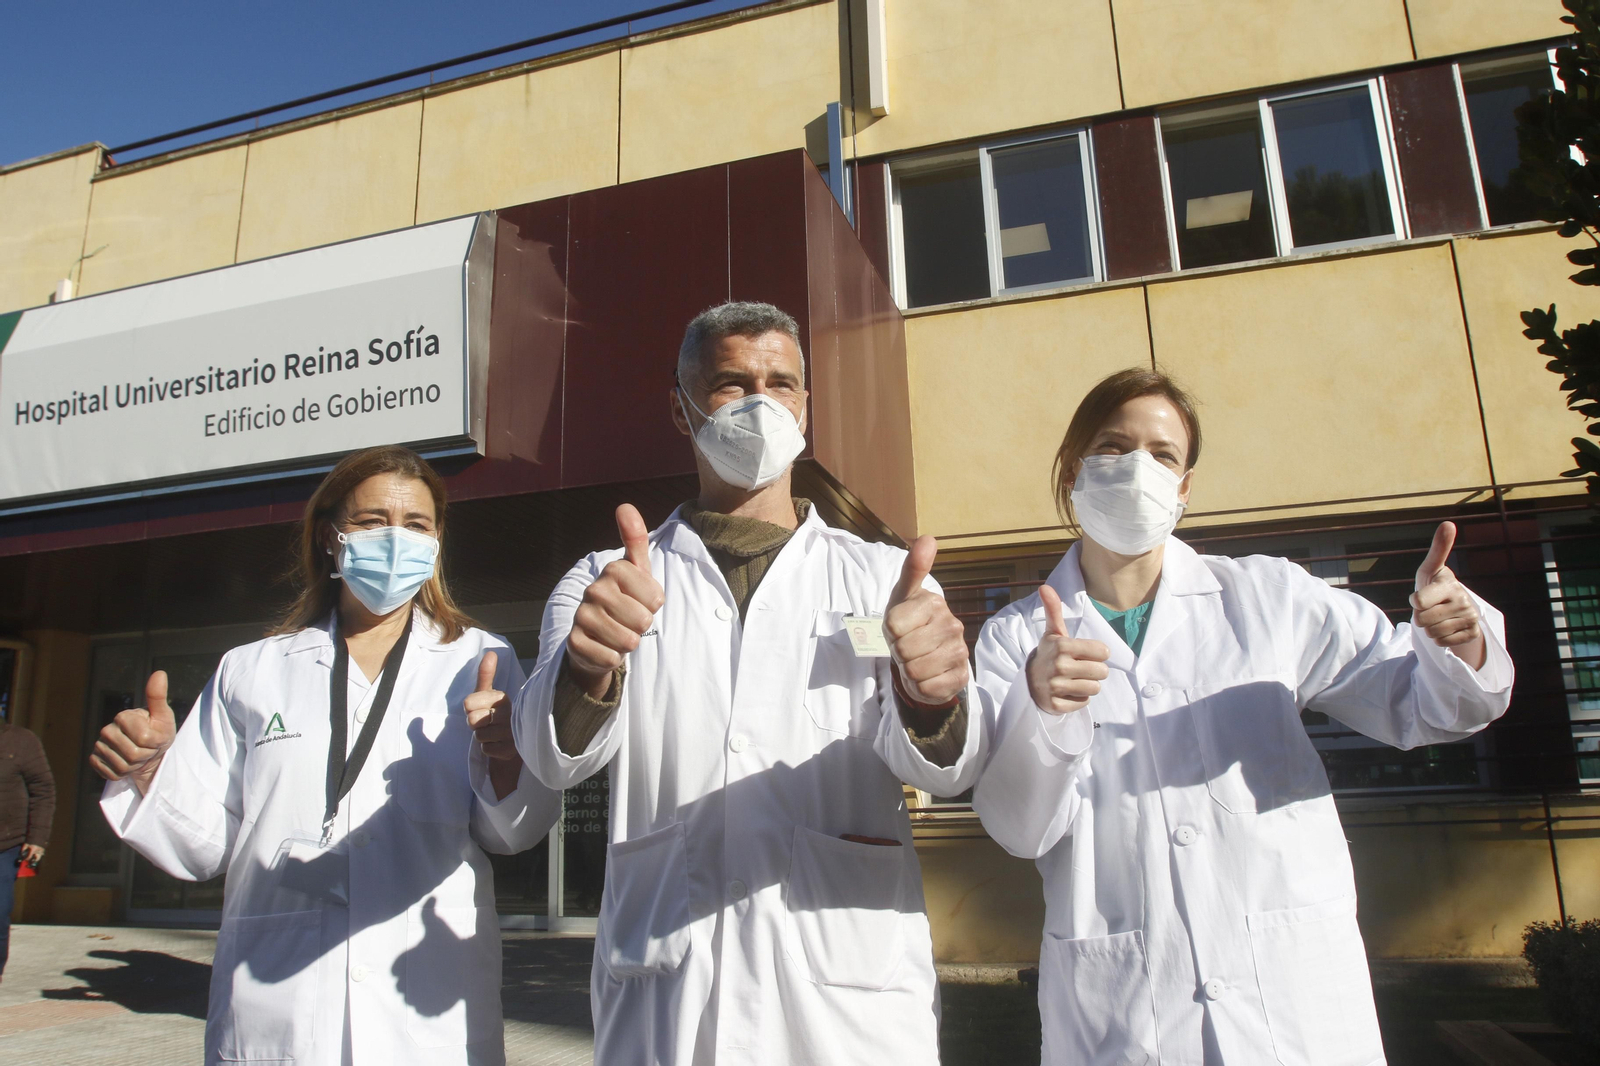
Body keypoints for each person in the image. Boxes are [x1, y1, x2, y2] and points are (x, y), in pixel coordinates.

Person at [970, 368, 1514, 1065]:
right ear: (1076, 469)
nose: (1138, 467)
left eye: (1162, 454)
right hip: (1127, 1010)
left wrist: (1457, 640)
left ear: (1185, 487)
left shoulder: (1270, 597)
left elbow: (1423, 705)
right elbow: (1020, 829)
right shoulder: (1016, 638)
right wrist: (1044, 716)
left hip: (1289, 997)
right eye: (1114, 447)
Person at [513, 302, 982, 1064]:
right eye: (731, 384)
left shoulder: (885, 580)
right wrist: (586, 670)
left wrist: (931, 698)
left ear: (806, 408)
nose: (761, 402)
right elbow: (548, 757)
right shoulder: (605, 580)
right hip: (668, 995)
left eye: (781, 383)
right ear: (682, 409)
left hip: (849, 1007)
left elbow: (953, 769)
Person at [92, 445, 561, 1066]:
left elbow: (513, 832)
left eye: (416, 524)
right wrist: (150, 769)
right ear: (329, 537)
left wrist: (505, 756)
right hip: (278, 1006)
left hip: (427, 1010)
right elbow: (202, 846)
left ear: (437, 542)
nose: (395, 539)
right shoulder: (251, 671)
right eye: (371, 521)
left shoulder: (480, 659)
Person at [0, 710, 54, 984]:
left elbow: (43, 791)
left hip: (6, 846)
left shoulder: (21, 741)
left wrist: (37, 839)